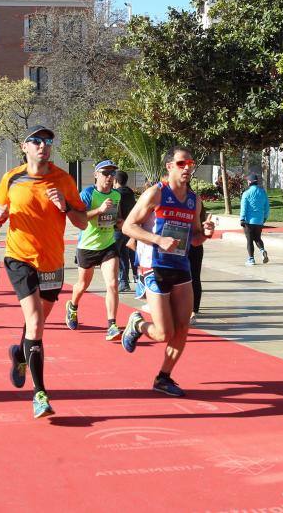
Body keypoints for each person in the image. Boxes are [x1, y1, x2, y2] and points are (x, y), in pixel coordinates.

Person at [0, 125, 87, 418]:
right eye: (36, 141)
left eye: (47, 141)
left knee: (38, 322)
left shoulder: (64, 180)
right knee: (34, 323)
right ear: (25, 147)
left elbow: (83, 222)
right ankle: (40, 395)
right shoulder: (11, 178)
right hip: (19, 257)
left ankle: (20, 355)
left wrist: (65, 207)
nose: (42, 146)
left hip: (52, 261)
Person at [120, 147, 216, 397]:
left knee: (183, 327)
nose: (187, 168)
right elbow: (128, 226)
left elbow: (194, 239)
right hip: (155, 265)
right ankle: (138, 324)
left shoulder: (194, 200)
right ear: (169, 167)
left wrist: (205, 233)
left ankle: (163, 377)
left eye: (190, 163)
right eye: (182, 163)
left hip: (181, 266)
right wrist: (157, 239)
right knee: (164, 333)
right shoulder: (156, 193)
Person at [65, 160, 123, 340]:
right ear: (96, 175)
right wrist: (99, 210)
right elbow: (78, 218)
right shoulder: (88, 194)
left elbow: (117, 217)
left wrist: (120, 223)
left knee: (113, 284)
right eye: (105, 173)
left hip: (108, 245)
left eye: (113, 174)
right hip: (88, 246)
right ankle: (72, 306)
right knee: (83, 285)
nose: (110, 177)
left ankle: (112, 324)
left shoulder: (116, 195)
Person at [114, 170, 137, 292]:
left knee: (116, 256)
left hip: (117, 228)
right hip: (128, 229)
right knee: (125, 255)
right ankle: (126, 282)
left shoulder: (115, 194)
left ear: (116, 181)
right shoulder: (130, 193)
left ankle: (122, 281)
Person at [240, 172, 270, 266]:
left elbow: (244, 207)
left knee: (249, 240)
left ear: (249, 182)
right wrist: (265, 217)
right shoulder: (263, 192)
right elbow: (267, 206)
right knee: (257, 238)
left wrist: (242, 218)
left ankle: (251, 259)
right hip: (259, 220)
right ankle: (262, 250)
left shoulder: (246, 193)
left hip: (248, 221)